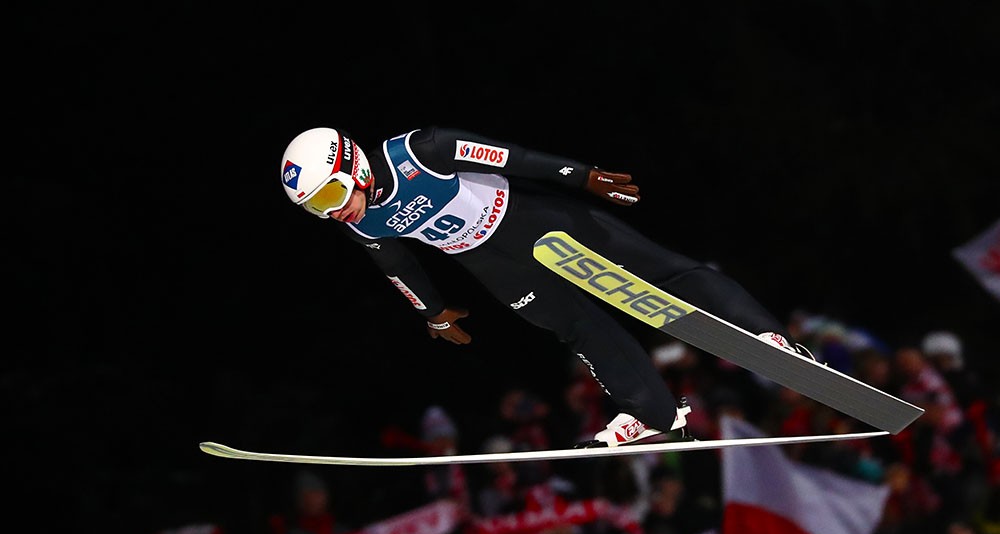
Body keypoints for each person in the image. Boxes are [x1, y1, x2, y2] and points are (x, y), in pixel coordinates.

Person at [279, 126, 802, 447]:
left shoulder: (421, 151)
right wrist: (431, 312)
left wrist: (581, 176)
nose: (331, 211)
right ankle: (653, 412)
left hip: (528, 216)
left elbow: (511, 157)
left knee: (656, 270)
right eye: (315, 208)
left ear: (352, 166)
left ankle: (765, 336)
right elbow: (396, 265)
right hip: (491, 262)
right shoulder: (361, 222)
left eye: (329, 195)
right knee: (575, 327)